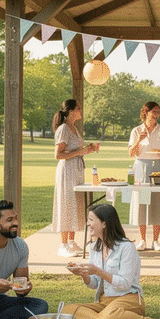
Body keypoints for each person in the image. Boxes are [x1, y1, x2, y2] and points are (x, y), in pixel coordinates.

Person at [62, 203, 160, 319]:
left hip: (128, 299)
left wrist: (98, 271)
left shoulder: (126, 248)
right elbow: (95, 284)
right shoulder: (94, 248)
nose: (88, 224)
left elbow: (125, 283)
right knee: (67, 311)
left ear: (104, 223)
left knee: (110, 316)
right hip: (104, 303)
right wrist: (83, 274)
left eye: (91, 220)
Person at [50, 98, 100, 258]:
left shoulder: (73, 128)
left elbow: (77, 150)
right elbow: (58, 155)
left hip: (76, 171)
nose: (81, 111)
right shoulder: (64, 128)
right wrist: (80, 152)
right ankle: (63, 245)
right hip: (67, 172)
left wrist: (88, 149)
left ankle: (71, 242)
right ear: (71, 111)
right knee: (66, 205)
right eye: (78, 108)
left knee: (75, 205)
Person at [128, 101, 160, 252]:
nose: (156, 114)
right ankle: (142, 240)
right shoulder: (136, 131)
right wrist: (139, 140)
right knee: (142, 202)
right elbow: (130, 153)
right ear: (145, 112)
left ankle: (156, 240)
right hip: (141, 167)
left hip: (159, 166)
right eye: (154, 111)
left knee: (158, 202)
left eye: (158, 112)